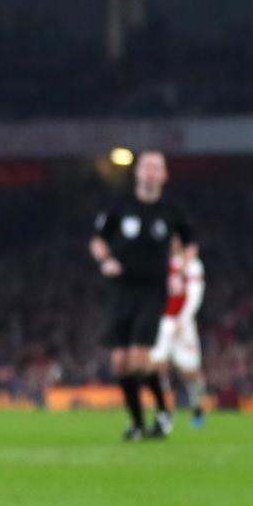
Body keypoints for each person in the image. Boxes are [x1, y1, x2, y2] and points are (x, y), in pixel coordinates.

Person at [90, 150, 193, 441]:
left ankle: (163, 411)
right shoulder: (121, 205)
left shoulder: (172, 210)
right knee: (120, 362)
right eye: (145, 167)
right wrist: (105, 260)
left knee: (138, 357)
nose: (149, 172)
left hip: (152, 290)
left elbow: (189, 244)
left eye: (155, 167)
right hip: (121, 290)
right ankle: (137, 424)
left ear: (164, 175)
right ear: (137, 173)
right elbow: (98, 240)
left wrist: (182, 264)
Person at [151, 243, 208, 429]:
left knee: (189, 371)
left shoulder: (194, 265)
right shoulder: (163, 261)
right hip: (164, 320)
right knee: (158, 365)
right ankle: (166, 409)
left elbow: (195, 296)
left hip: (184, 323)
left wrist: (182, 320)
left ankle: (197, 407)